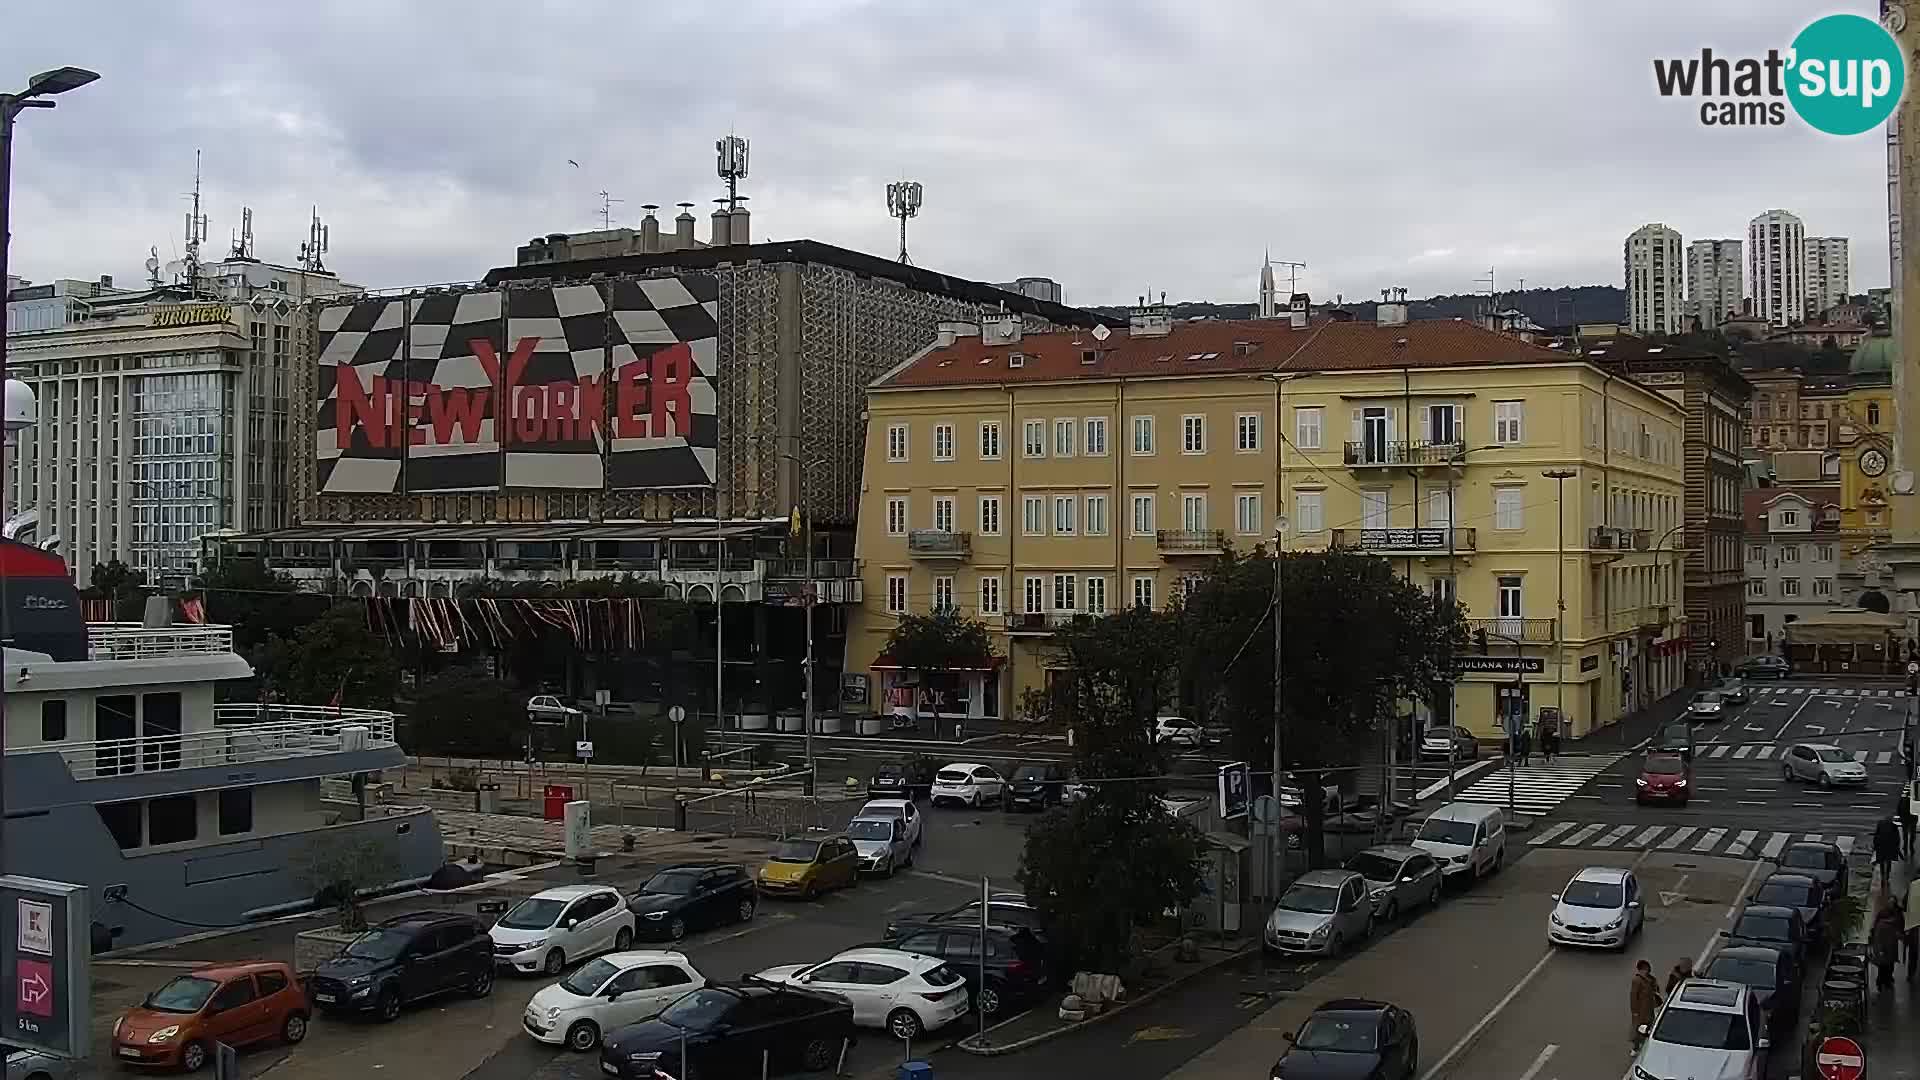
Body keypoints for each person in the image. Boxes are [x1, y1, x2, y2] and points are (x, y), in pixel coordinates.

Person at [1630, 959, 1662, 1051]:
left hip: (1651, 1008)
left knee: (1651, 1028)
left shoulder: (1651, 979)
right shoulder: (1637, 980)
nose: (1647, 970)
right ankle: (1635, 1048)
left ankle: (1647, 1046)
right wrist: (1635, 1011)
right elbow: (1633, 996)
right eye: (1645, 968)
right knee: (1638, 1029)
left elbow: (1657, 991)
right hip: (1641, 1010)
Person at [1872, 900, 1904, 987]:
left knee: (1883, 965)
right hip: (1890, 946)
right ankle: (1887, 980)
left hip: (1883, 946)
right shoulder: (1894, 921)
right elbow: (1899, 932)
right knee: (1889, 964)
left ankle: (1881, 980)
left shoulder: (1881, 922)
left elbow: (1876, 932)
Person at [1875, 814, 1902, 886]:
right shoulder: (1894, 826)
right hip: (1889, 847)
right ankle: (1886, 877)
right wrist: (1897, 849)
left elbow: (1876, 835)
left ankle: (1883, 877)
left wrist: (1875, 845)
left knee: (1882, 862)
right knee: (1888, 862)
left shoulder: (1880, 824)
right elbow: (1897, 839)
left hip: (1881, 846)